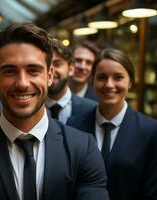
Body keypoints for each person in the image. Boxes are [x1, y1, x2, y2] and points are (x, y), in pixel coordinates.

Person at [0, 22, 108, 200]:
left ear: (50, 75)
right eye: (10, 71)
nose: (22, 83)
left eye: (33, 70)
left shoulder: (83, 148)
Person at [67, 48, 157, 200]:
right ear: (92, 80)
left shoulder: (150, 130)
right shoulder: (74, 125)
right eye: (101, 77)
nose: (109, 84)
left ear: (130, 82)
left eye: (118, 77)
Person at [46, 39, 96, 124]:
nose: (51, 70)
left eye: (57, 64)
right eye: (46, 65)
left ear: (71, 68)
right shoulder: (29, 108)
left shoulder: (92, 109)